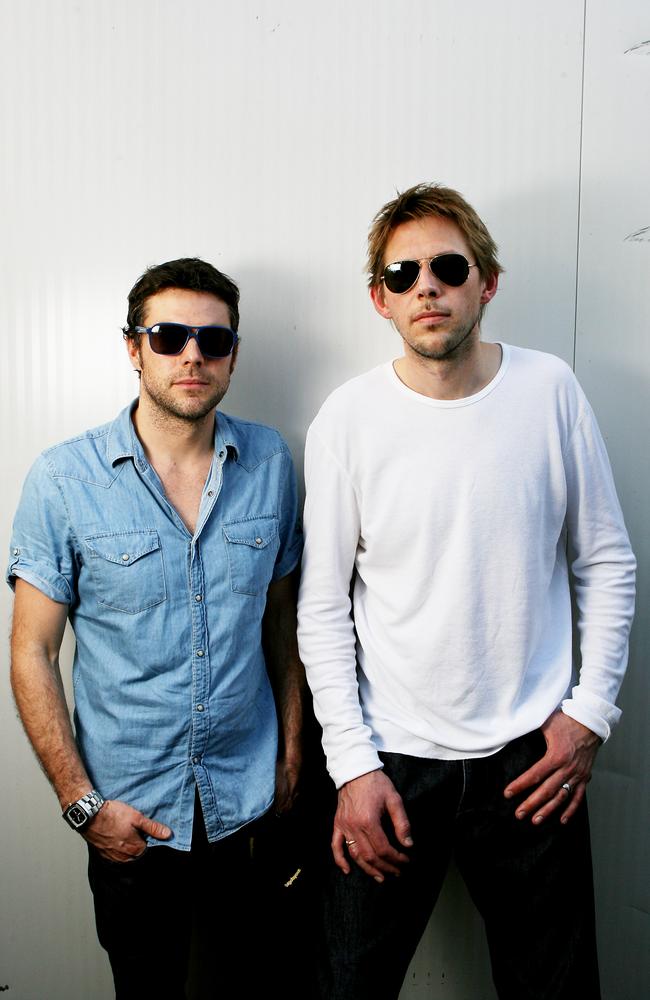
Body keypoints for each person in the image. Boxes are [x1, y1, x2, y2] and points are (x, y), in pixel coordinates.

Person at [296, 184, 636, 1000]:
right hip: (390, 759)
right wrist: (350, 766)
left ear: (487, 280)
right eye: (403, 273)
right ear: (379, 298)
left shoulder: (550, 391)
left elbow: (607, 560)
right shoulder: (348, 419)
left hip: (531, 761)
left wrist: (590, 714)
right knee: (345, 987)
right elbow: (321, 605)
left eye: (449, 266)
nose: (428, 286)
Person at [8, 257, 305, 999]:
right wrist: (83, 805)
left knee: (256, 986)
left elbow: (284, 624)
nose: (192, 355)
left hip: (249, 808)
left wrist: (294, 758)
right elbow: (32, 652)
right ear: (134, 347)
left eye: (213, 339)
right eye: (169, 336)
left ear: (234, 352)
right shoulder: (64, 479)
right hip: (131, 815)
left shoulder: (271, 461)